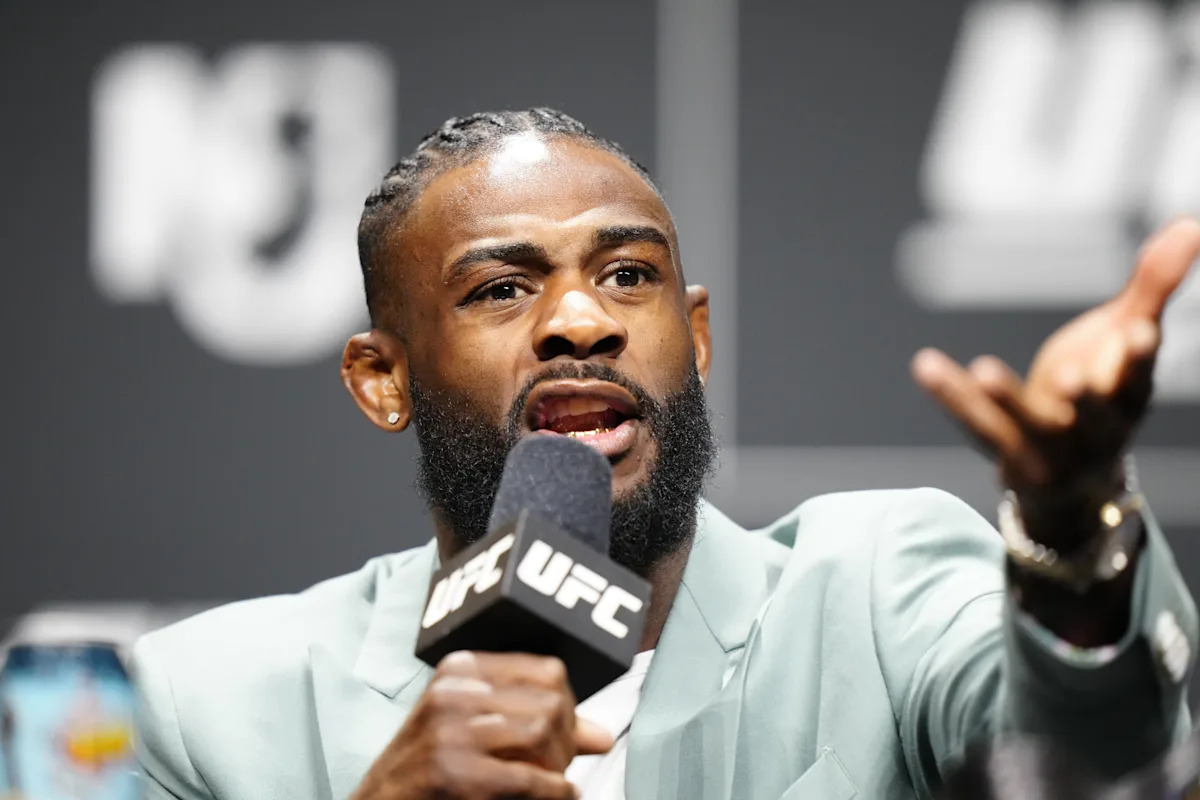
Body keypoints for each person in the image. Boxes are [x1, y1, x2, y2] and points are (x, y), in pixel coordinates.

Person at [133, 108, 1200, 800]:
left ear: (696, 337)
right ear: (383, 378)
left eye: (628, 275)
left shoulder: (879, 592)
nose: (582, 321)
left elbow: (1103, 768)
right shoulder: (206, 702)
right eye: (502, 288)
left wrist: (1075, 539)